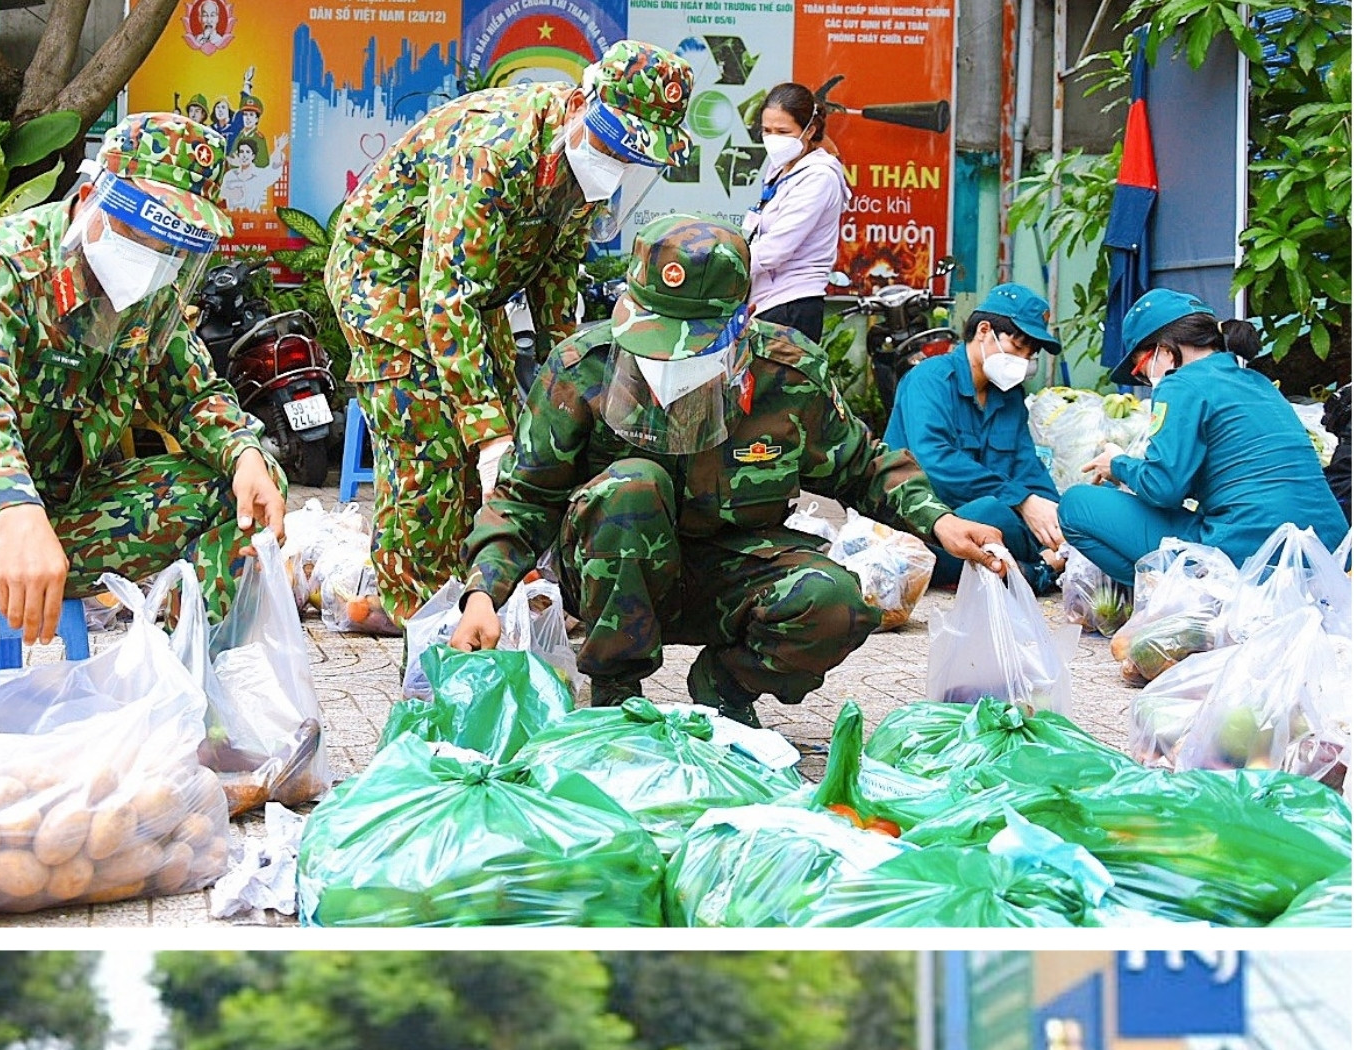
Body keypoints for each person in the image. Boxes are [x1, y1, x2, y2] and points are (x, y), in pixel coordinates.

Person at [447, 216, 1009, 721]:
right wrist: (481, 595)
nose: (666, 359)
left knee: (837, 604)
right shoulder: (583, 370)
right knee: (632, 486)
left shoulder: (786, 375)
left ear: (739, 325)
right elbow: (523, 498)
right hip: (614, 572)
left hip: (738, 566)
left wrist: (939, 522)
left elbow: (861, 466)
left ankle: (726, 689)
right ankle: (616, 697)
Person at [0, 111, 284, 671]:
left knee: (241, 491)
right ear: (91, 196)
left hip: (65, 513)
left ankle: (193, 703)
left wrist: (245, 452)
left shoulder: (151, 295)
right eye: (141, 230)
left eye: (172, 245)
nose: (154, 256)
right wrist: (15, 507)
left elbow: (193, 395)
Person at [323, 37, 699, 632]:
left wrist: (568, 379)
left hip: (481, 288)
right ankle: (421, 613)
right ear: (582, 103)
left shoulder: (582, 166)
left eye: (634, 157)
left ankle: (480, 589)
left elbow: (554, 275)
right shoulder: (493, 147)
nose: (617, 164)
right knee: (433, 439)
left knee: (513, 431)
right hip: (387, 274)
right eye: (611, 144)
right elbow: (446, 295)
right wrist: (487, 434)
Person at [1050, 285, 1346, 585]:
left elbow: (1163, 488)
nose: (1145, 380)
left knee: (1076, 505)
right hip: (1329, 553)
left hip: (1247, 557)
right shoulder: (1258, 383)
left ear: (1165, 351)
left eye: (1141, 369)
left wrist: (1118, 464)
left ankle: (1180, 602)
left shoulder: (1179, 384)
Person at [888, 281, 1067, 589]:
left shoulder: (1010, 398)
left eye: (1031, 353)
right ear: (984, 331)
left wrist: (1056, 520)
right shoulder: (929, 379)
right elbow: (936, 463)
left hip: (989, 527)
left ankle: (1029, 567)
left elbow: (1028, 468)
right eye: (1018, 347)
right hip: (926, 521)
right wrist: (1022, 501)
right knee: (991, 513)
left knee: (1066, 517)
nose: (1024, 361)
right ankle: (1035, 570)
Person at [743, 78, 849, 340]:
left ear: (810, 131)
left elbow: (775, 249)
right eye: (767, 130)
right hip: (766, 301)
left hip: (792, 305)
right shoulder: (780, 168)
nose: (772, 139)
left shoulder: (818, 178)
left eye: (783, 132)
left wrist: (721, 264)